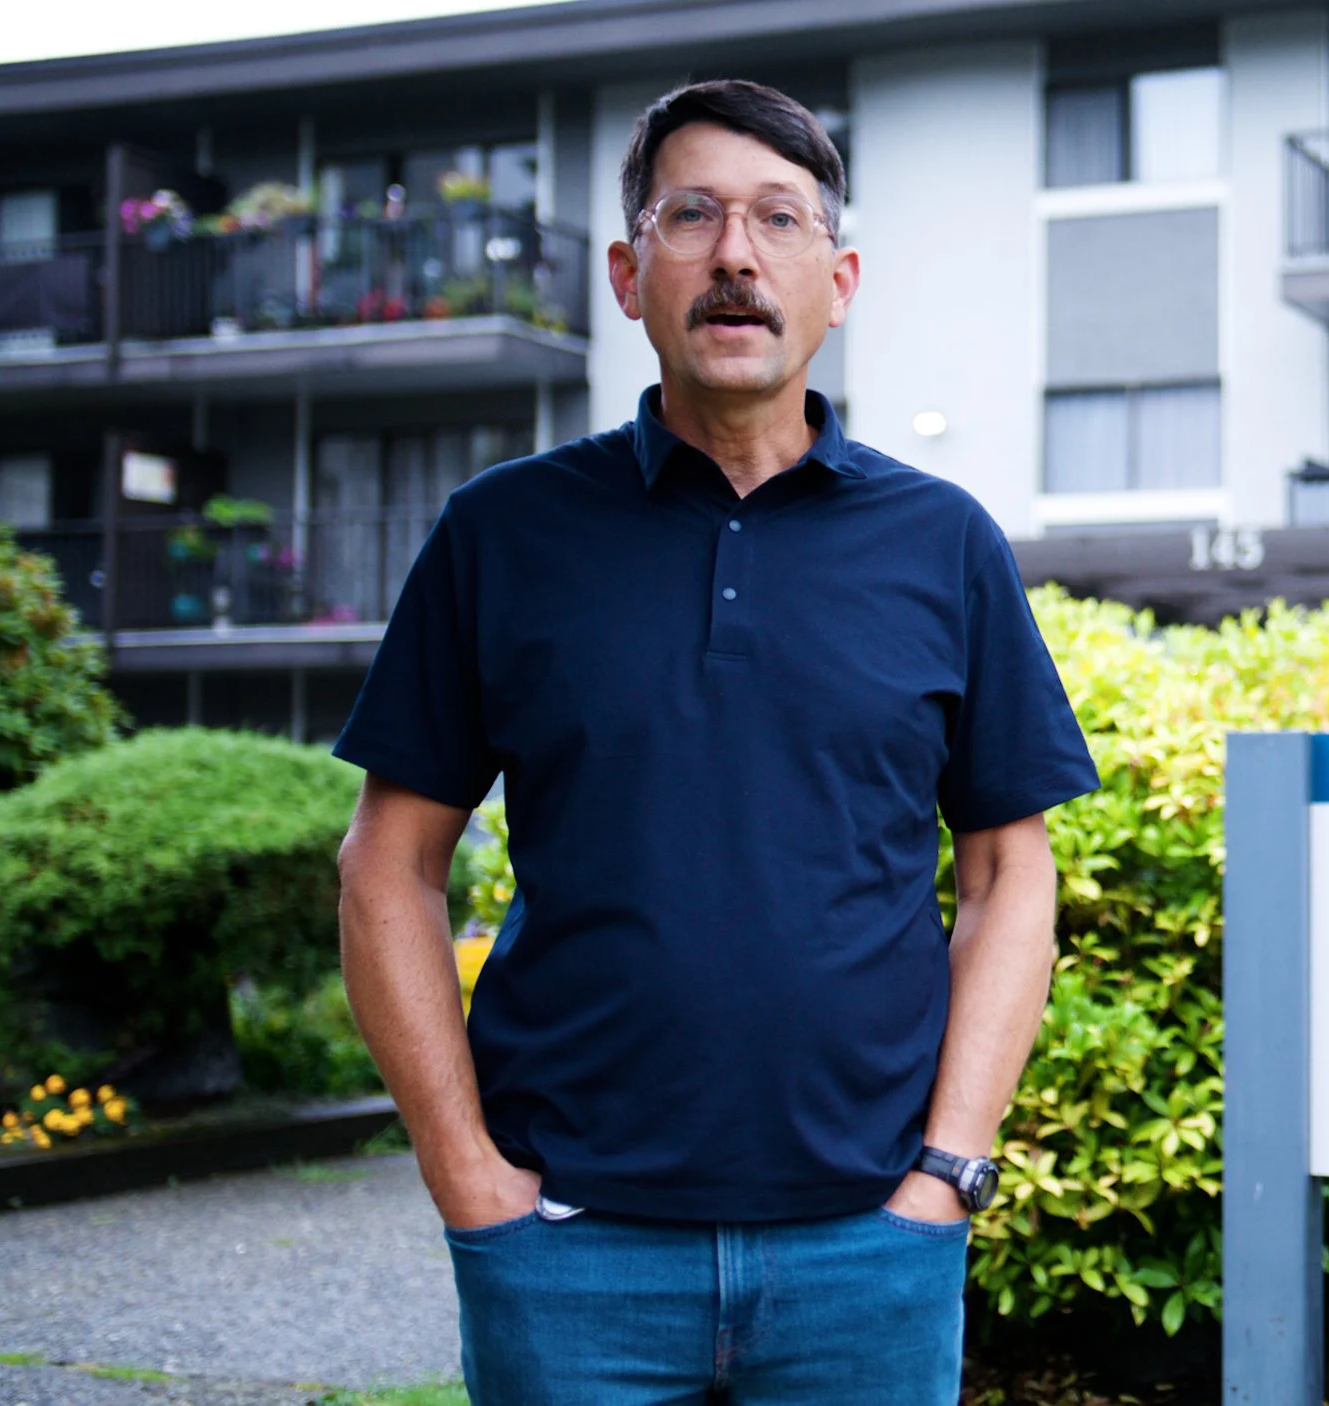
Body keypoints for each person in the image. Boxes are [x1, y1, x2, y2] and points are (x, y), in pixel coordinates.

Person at [333, 78, 1099, 1404]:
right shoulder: (503, 534)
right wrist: (465, 1169)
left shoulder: (944, 544)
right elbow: (385, 865)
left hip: (869, 1248)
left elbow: (1006, 875)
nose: (735, 254)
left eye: (779, 220)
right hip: (568, 1247)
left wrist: (949, 1170)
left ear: (839, 278)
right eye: (692, 216)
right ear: (630, 276)